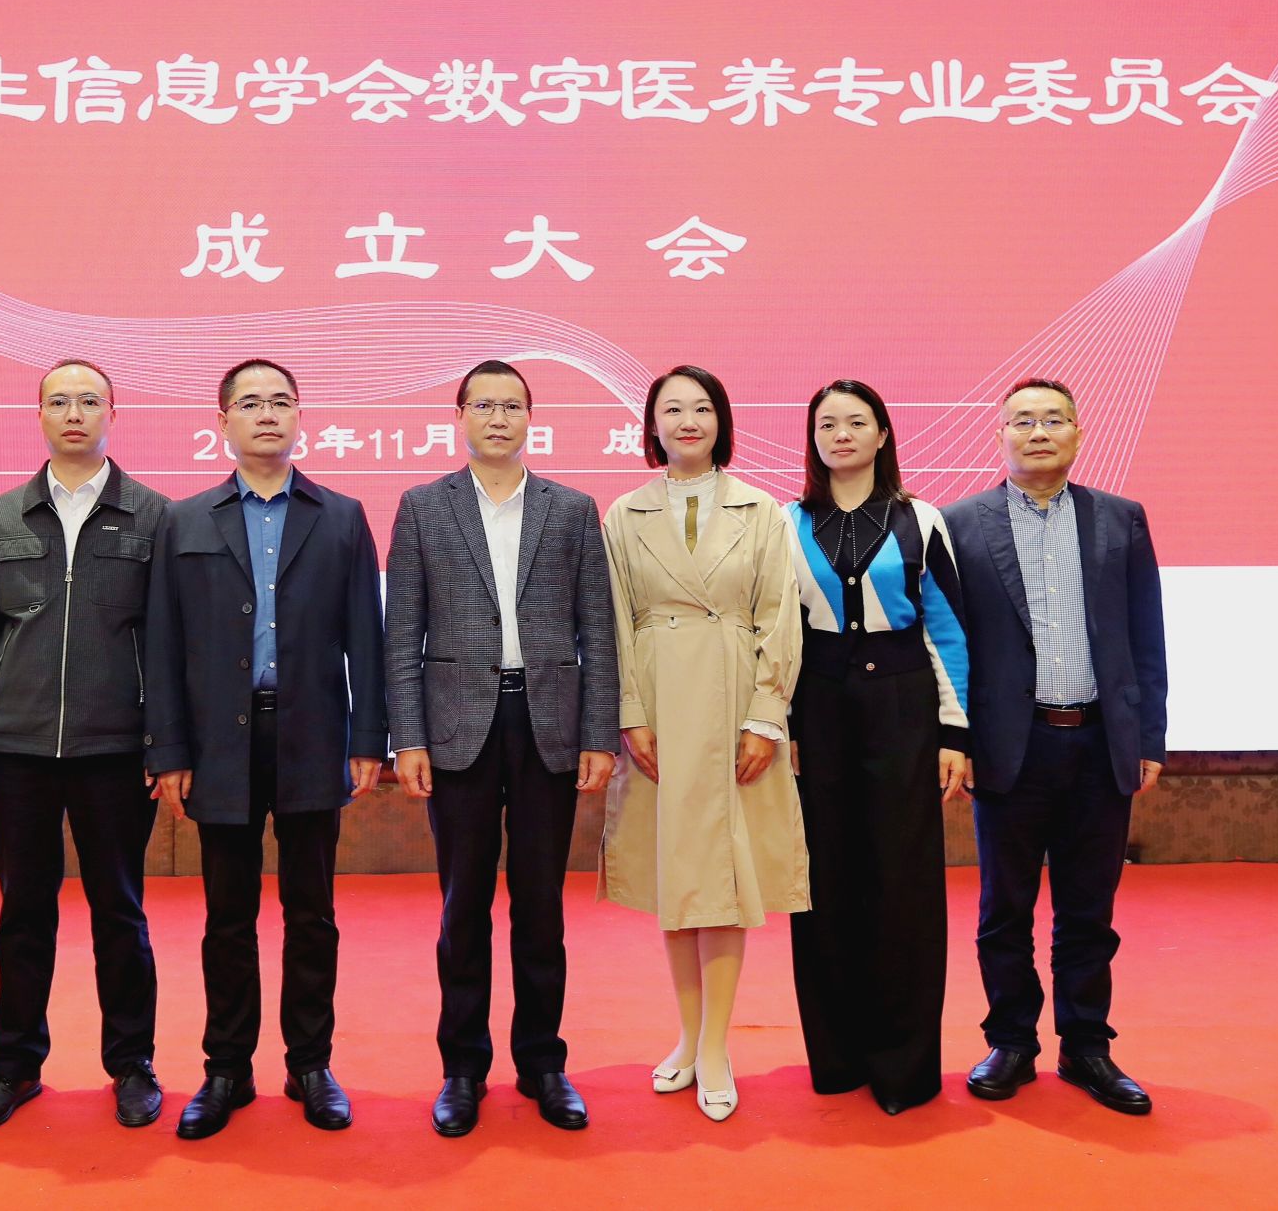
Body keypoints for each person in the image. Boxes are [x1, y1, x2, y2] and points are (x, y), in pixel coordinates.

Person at [144, 358, 388, 1140]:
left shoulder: (341, 515)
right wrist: (168, 749)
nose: (268, 414)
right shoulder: (184, 519)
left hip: (312, 732)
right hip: (220, 739)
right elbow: (163, 644)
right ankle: (226, 1068)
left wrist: (369, 736)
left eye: (281, 401)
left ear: (300, 416)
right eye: (250, 403)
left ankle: (310, 1063)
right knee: (228, 915)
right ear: (223, 421)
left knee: (312, 912)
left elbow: (367, 636)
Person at [385, 360, 620, 1138]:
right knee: (463, 905)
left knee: (542, 904)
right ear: (459, 415)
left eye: (511, 405)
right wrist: (407, 735)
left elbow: (597, 630)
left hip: (548, 721)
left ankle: (544, 1062)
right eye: (483, 404)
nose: (497, 417)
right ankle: (462, 1067)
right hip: (458, 726)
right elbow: (402, 633)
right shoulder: (423, 507)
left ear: (530, 418)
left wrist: (598, 733)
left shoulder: (572, 509)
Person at [0, 359, 171, 1135]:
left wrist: (164, 743)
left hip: (118, 751)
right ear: (39, 415)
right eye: (59, 401)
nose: (74, 412)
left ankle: (132, 1063)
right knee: (22, 913)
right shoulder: (2, 514)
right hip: (20, 750)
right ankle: (13, 1064)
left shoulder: (153, 514)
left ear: (113, 412)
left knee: (121, 913)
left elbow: (168, 645)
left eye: (89, 400)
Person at [942, 378, 1166, 1116]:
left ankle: (1087, 1046)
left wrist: (1150, 734)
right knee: (1004, 910)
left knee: (1088, 910)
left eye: (1053, 419)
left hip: (1100, 742)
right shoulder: (960, 525)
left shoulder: (1121, 519)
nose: (1038, 432)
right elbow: (950, 644)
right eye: (1022, 421)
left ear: (1078, 432)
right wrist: (955, 738)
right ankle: (1010, 1040)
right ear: (1000, 434)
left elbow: (1146, 634)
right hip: (1009, 745)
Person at [598, 364, 805, 1122]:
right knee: (679, 880)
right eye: (672, 409)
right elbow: (614, 619)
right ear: (651, 425)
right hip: (660, 704)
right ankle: (687, 1037)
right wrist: (630, 712)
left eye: (702, 408)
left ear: (722, 420)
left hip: (734, 698)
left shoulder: (762, 509)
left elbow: (781, 614)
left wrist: (764, 716)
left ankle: (716, 1046)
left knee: (724, 880)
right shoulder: (624, 513)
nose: (688, 420)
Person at [783, 379, 970, 1115]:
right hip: (818, 704)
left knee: (904, 882)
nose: (842, 434)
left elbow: (946, 628)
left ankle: (904, 1067)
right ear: (813, 438)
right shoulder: (786, 521)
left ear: (883, 433)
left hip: (903, 701)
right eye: (827, 423)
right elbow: (777, 632)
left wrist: (954, 732)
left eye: (857, 421)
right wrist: (783, 726)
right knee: (823, 881)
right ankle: (836, 1057)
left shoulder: (921, 519)